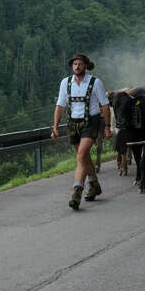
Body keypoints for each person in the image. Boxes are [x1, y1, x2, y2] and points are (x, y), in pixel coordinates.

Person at [51, 53, 112, 210]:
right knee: (84, 157)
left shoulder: (95, 82)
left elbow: (105, 106)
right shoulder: (66, 82)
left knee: (80, 155)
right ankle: (94, 185)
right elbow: (60, 105)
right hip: (73, 124)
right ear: (72, 66)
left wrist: (107, 126)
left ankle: (77, 191)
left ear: (86, 65)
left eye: (80, 64)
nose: (77, 66)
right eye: (74, 64)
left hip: (91, 123)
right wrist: (55, 127)